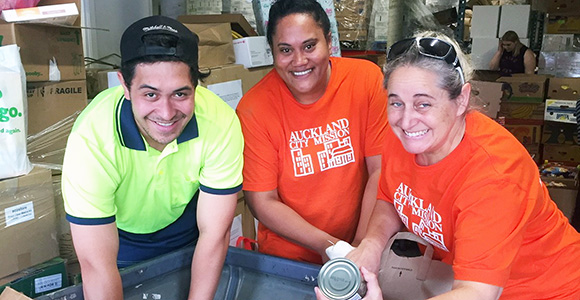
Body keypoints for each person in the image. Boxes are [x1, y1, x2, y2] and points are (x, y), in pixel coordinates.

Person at [320, 31, 580, 300]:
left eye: (423, 104)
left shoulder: (493, 175)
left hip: (547, 291)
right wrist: (371, 245)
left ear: (461, 100)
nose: (406, 120)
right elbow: (391, 196)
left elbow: (476, 292)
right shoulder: (406, 138)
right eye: (396, 102)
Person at [61, 16, 244, 300]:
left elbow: (214, 234)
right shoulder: (92, 138)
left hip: (187, 232)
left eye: (180, 93)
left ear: (196, 86)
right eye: (150, 94)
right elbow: (97, 266)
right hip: (120, 240)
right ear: (124, 85)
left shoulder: (220, 122)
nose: (167, 113)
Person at [236, 0, 388, 265]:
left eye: (309, 46)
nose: (299, 61)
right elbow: (263, 202)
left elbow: (380, 169)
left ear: (329, 42)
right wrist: (330, 246)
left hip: (359, 243)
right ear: (272, 51)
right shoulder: (254, 108)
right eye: (285, 50)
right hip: (288, 258)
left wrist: (360, 246)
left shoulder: (365, 79)